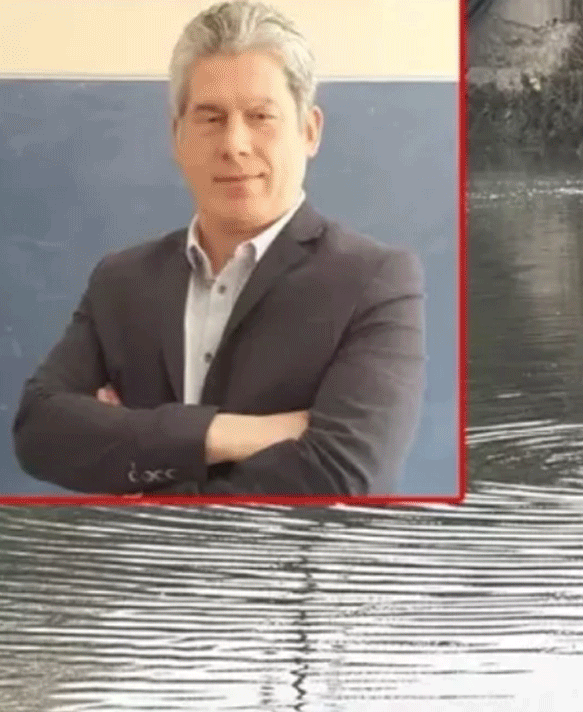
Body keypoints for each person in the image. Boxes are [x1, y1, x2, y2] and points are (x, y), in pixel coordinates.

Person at [10, 1, 426, 497]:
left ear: (309, 131)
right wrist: (227, 434)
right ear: (176, 135)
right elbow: (39, 433)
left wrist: (145, 465)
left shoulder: (375, 281)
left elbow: (345, 476)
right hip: (143, 575)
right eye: (210, 118)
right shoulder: (121, 281)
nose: (235, 143)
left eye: (260, 116)